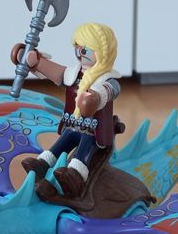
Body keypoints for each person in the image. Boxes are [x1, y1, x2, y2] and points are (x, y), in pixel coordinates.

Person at [10, 22, 121, 198]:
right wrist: (36, 62)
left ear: (102, 52)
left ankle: (76, 176)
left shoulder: (108, 79)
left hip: (95, 131)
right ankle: (42, 164)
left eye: (85, 50)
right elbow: (58, 73)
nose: (79, 53)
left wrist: (94, 98)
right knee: (61, 144)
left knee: (84, 148)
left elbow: (108, 91)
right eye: (77, 48)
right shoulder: (74, 73)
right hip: (73, 125)